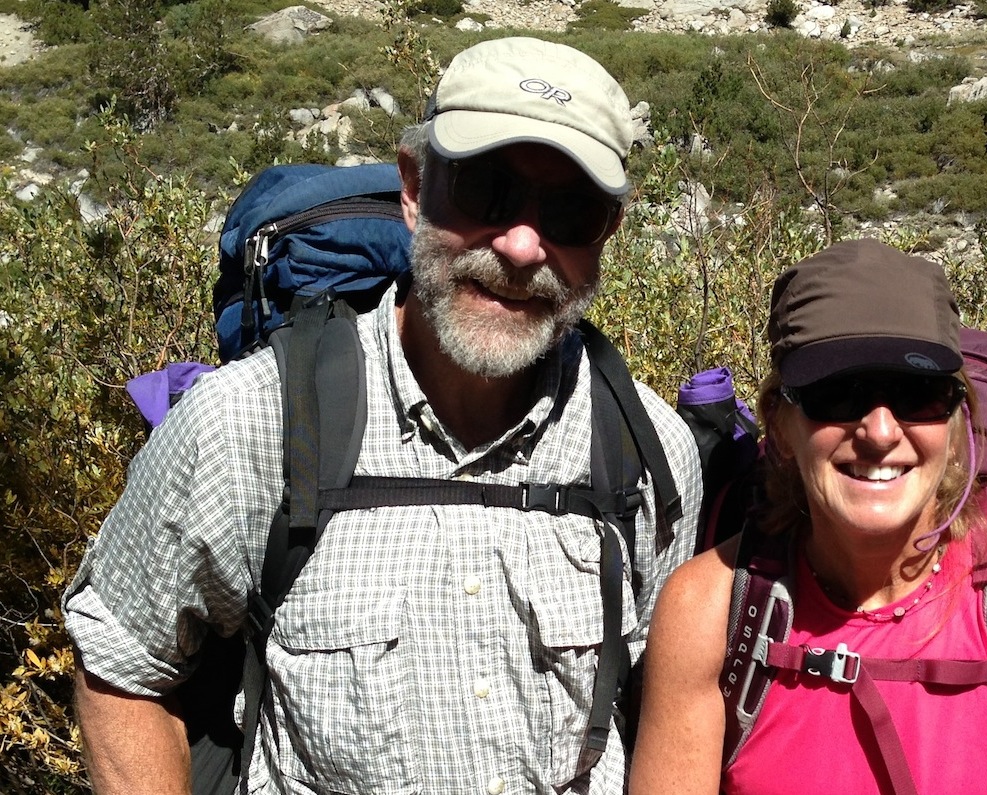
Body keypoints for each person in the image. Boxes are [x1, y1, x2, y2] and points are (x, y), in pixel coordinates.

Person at [64, 36, 701, 795]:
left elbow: (664, 717)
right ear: (412, 187)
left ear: (605, 237)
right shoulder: (249, 424)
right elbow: (123, 666)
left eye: (570, 211)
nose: (523, 245)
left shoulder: (644, 449)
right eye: (485, 191)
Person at [629, 239, 987, 795]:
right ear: (781, 426)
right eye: (839, 393)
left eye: (919, 394)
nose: (881, 433)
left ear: (958, 424)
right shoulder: (706, 612)